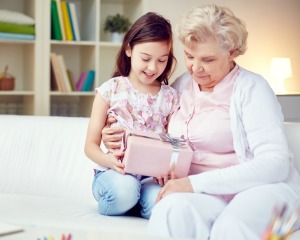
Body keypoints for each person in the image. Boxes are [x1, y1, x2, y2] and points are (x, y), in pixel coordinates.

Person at [101, 4, 300, 240]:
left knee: (231, 226)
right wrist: (118, 132)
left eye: (207, 59)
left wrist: (193, 184)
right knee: (168, 210)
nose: (196, 68)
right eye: (189, 56)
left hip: (256, 190)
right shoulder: (183, 85)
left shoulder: (252, 88)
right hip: (207, 195)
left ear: (232, 52)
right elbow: (154, 127)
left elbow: (275, 164)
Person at [84, 12, 179, 219]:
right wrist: (110, 161)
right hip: (114, 173)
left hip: (150, 178)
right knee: (123, 191)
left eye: (162, 60)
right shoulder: (110, 90)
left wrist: (168, 168)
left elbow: (174, 144)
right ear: (128, 49)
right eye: (145, 58)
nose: (153, 67)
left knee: (164, 204)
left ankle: (136, 202)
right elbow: (90, 145)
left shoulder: (170, 97)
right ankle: (129, 199)